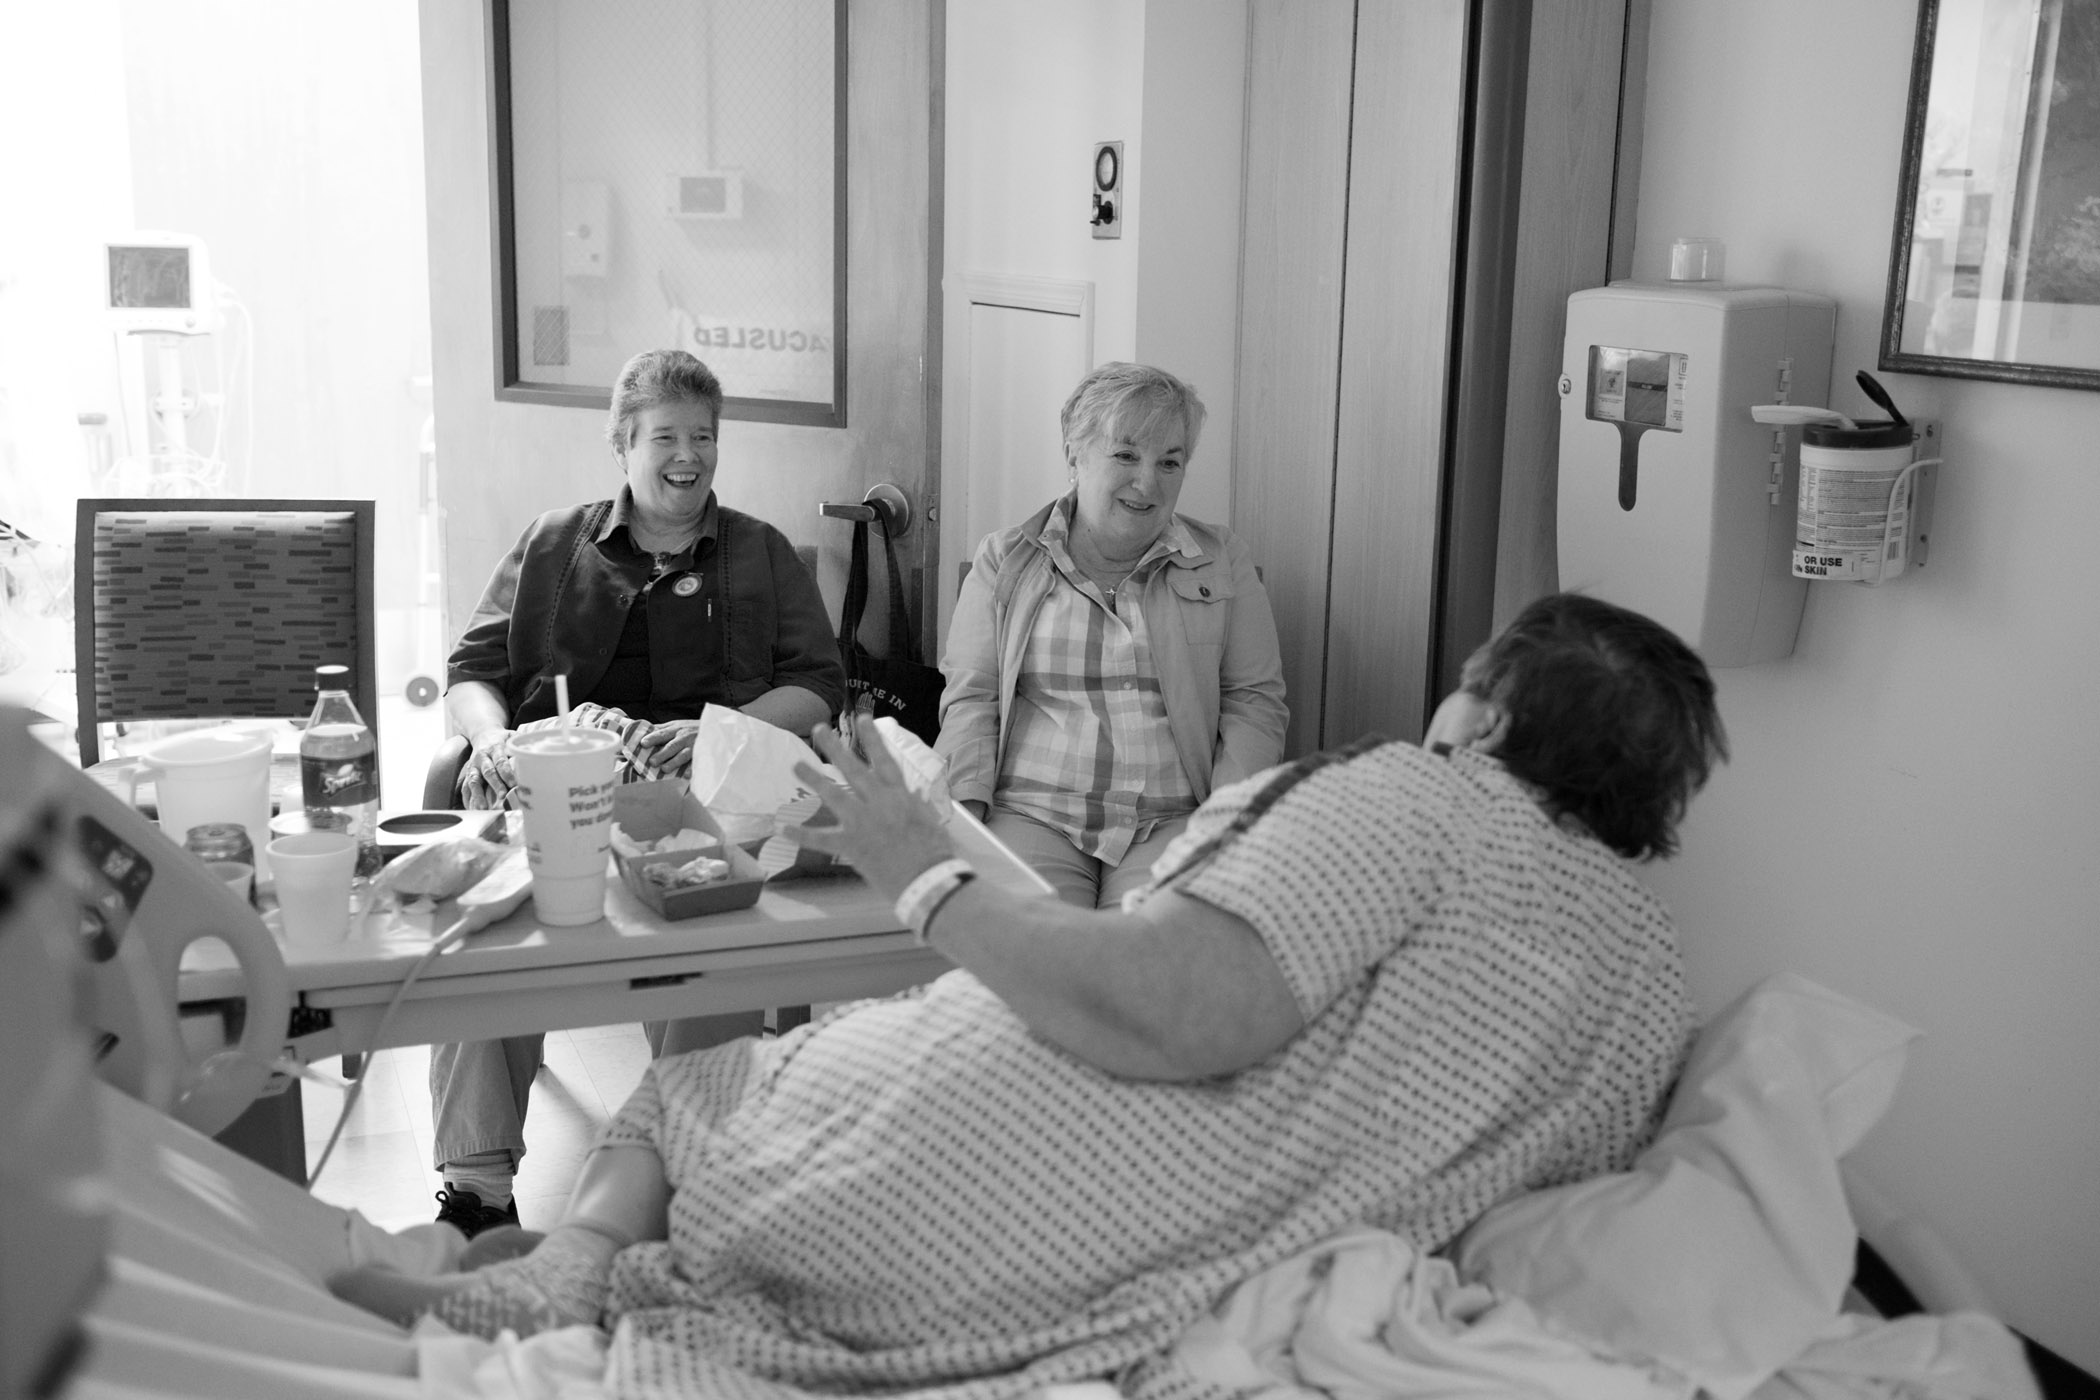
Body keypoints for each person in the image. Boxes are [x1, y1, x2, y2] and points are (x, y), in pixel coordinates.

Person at [332, 593, 1727, 1400]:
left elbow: (1179, 1008)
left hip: (962, 1193)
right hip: (1116, 1289)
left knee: (708, 1087)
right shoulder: (1647, 983)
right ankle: (592, 1279)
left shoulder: (1423, 802)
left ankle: (577, 1275)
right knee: (734, 1116)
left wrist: (921, 877)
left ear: (1482, 717)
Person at [428, 349, 845, 1237]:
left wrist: (721, 730)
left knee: (707, 933)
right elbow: (471, 672)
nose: (687, 454)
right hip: (544, 783)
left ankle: (685, 1163)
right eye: (665, 436)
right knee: (492, 939)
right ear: (622, 444)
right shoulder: (552, 542)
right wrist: (493, 737)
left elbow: (818, 682)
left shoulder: (759, 552)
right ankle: (477, 1190)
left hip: (693, 796)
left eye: (704, 436)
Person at [937, 362, 1287, 908]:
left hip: (1173, 818)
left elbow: (1254, 701)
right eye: (1125, 455)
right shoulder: (1005, 559)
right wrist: (966, 817)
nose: (1148, 483)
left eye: (1169, 462)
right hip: (1033, 811)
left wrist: (1227, 823)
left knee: (1149, 955)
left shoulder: (1222, 560)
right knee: (1035, 951)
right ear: (1074, 454)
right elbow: (972, 698)